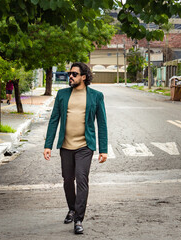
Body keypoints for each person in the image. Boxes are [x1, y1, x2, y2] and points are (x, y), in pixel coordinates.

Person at [43, 62, 108, 235]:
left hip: (85, 146)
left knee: (82, 180)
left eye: (74, 74)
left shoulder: (96, 96)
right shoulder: (62, 95)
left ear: (84, 77)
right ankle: (72, 209)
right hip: (65, 146)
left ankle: (79, 219)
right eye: (69, 73)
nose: (70, 76)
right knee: (67, 180)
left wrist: (103, 149)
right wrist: (48, 145)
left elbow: (102, 124)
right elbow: (54, 120)